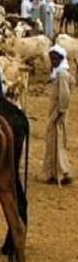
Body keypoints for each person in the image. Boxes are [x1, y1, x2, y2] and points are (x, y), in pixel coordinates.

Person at [43, 44, 73, 185]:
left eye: (55, 59)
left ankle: (62, 172)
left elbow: (65, 93)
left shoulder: (62, 74)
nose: (53, 62)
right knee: (52, 140)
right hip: (55, 111)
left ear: (61, 59)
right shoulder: (59, 73)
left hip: (58, 112)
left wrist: (61, 110)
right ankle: (53, 172)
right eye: (51, 59)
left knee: (57, 140)